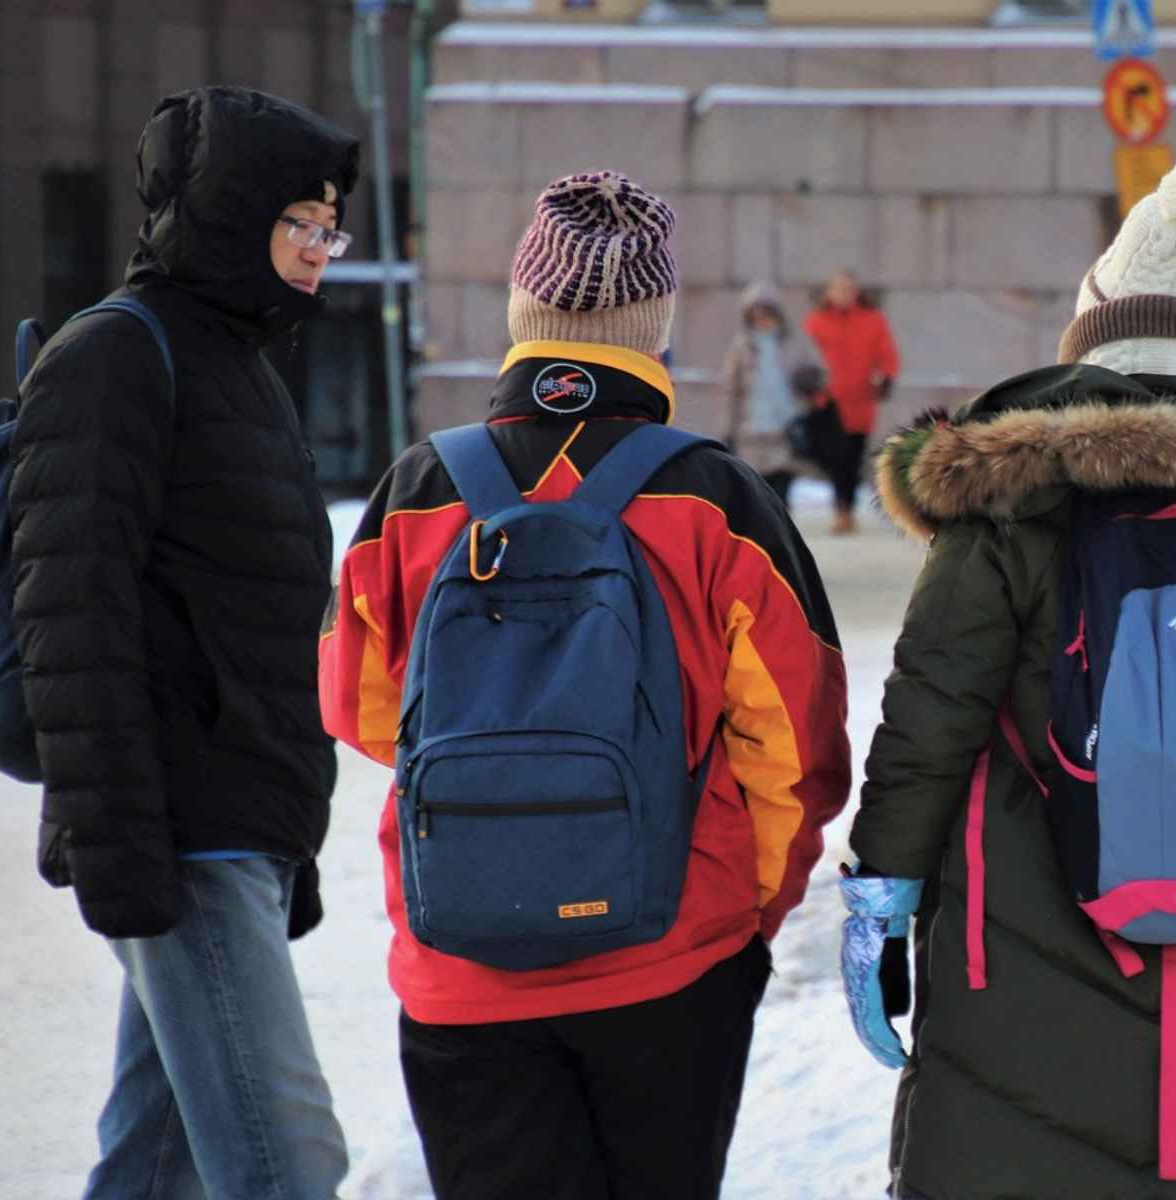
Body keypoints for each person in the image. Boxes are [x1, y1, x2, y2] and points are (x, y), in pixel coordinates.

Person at [319, 170, 851, 1200]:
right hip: (672, 959)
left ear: (524, 313)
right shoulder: (717, 496)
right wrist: (749, 912)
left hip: (461, 963)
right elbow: (797, 748)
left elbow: (358, 707)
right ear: (653, 332)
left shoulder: (419, 489)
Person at [842, 147, 1176, 1199]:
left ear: (1092, 339)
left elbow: (930, 716)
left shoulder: (1008, 505)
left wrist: (880, 897)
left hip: (1023, 957)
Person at [6, 86, 356, 1198]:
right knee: (289, 1162)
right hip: (179, 828)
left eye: (330, 229)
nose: (320, 252)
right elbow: (72, 616)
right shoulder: (117, 356)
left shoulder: (238, 366)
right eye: (300, 224)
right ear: (227, 215)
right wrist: (121, 848)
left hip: (237, 819)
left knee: (154, 1170)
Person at [801, 267, 899, 534]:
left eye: (848, 289)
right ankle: (841, 510)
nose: (843, 294)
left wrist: (885, 378)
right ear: (829, 292)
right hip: (827, 402)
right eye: (838, 289)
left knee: (852, 459)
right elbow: (803, 356)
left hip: (860, 403)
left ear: (856, 293)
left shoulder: (873, 320)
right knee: (836, 457)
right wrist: (808, 386)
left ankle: (846, 511)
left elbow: (887, 356)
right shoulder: (816, 322)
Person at [721, 281, 824, 507]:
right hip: (750, 433)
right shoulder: (741, 347)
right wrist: (728, 429)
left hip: (785, 430)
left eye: (766, 314)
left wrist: (809, 380)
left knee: (780, 497)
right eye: (755, 316)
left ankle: (780, 539)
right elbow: (731, 391)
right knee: (755, 499)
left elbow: (817, 372)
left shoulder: (795, 343)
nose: (761, 321)